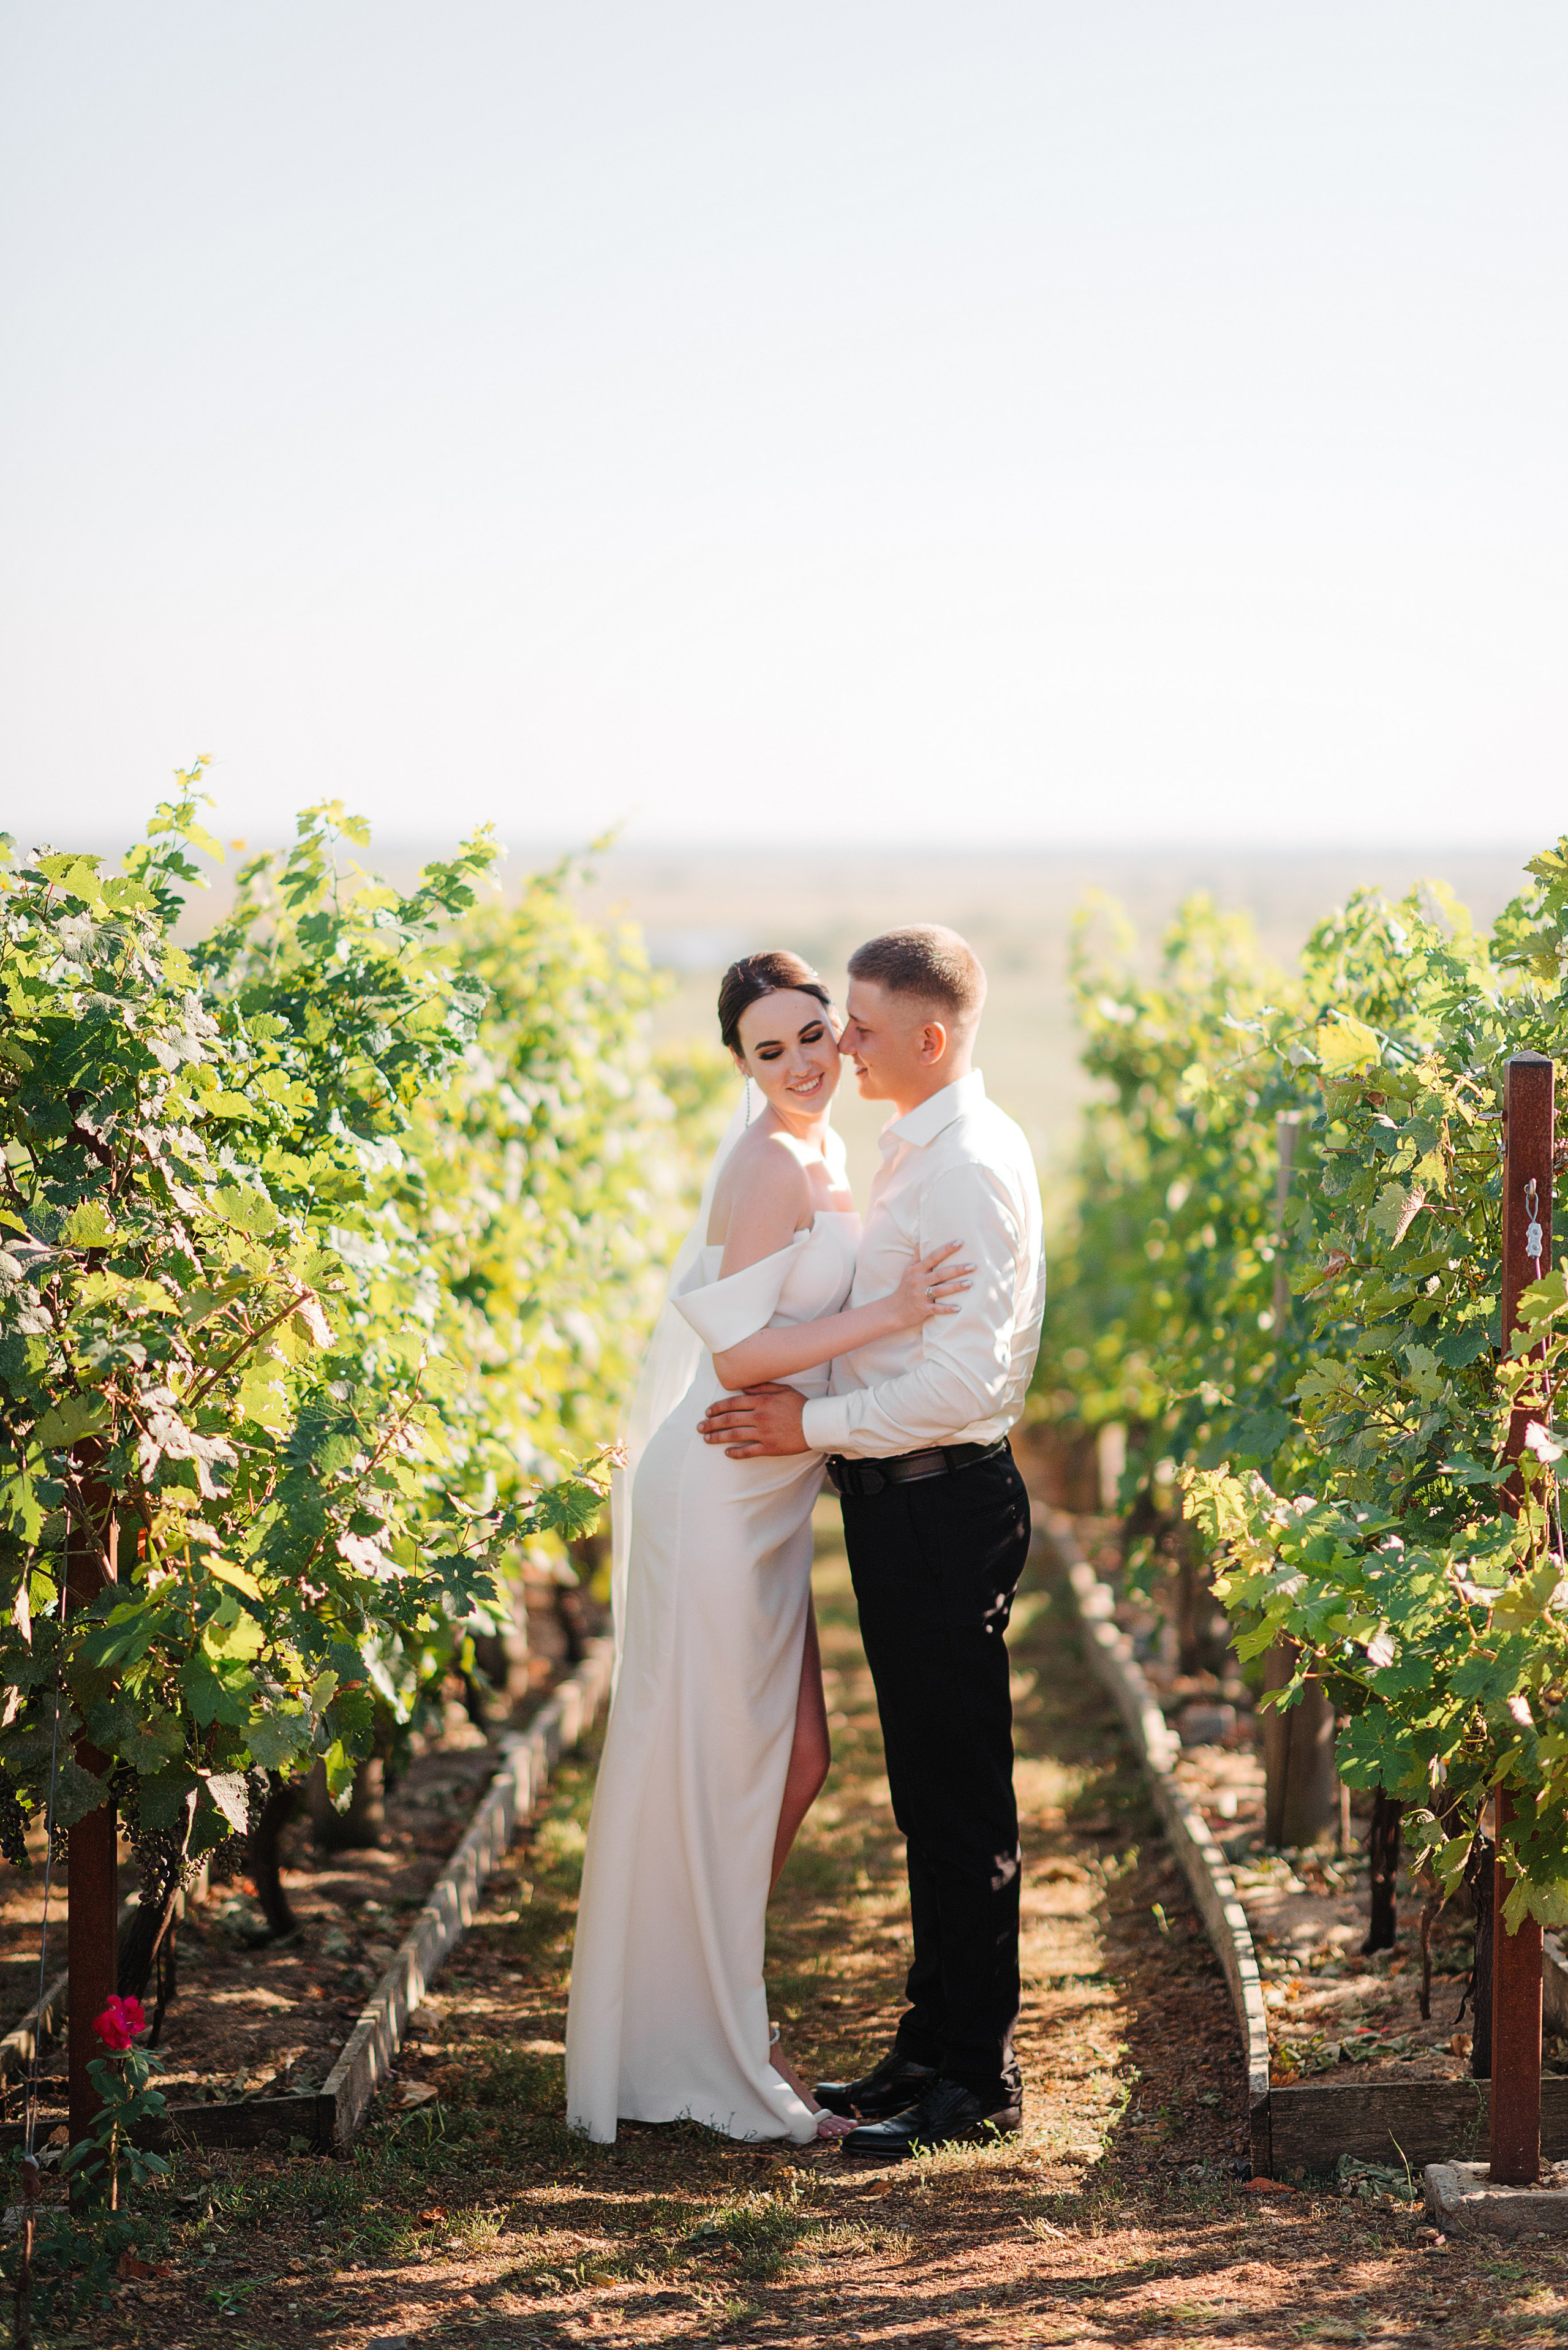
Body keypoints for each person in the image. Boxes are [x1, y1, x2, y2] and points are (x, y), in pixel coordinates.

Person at [565, 951, 972, 2146]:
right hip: (717, 1494)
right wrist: (899, 1315)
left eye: (811, 1036)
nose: (799, 1063)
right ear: (739, 1064)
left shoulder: (826, 1150)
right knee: (729, 1770)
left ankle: (708, 2018)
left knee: (794, 1764)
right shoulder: (763, 1163)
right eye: (769, 1049)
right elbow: (738, 1357)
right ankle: (728, 2052)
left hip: (770, 1495)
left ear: (840, 1038)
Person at [698, 926, 1045, 2158]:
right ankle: (927, 2043)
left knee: (957, 1803)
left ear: (929, 1035)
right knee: (925, 1794)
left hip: (940, 1495)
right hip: (903, 1500)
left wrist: (809, 1419)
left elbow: (958, 1380)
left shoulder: (961, 1170)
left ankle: (972, 2079)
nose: (840, 1042)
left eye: (858, 1022)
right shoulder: (916, 1150)